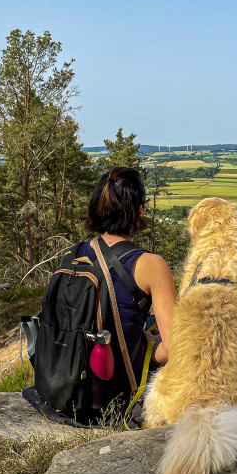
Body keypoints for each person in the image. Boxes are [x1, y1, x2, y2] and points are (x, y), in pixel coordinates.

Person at [82, 166, 175, 392]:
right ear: (140, 210)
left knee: (151, 322)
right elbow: (174, 346)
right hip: (116, 393)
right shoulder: (152, 264)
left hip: (71, 384)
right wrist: (149, 349)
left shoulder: (76, 253)